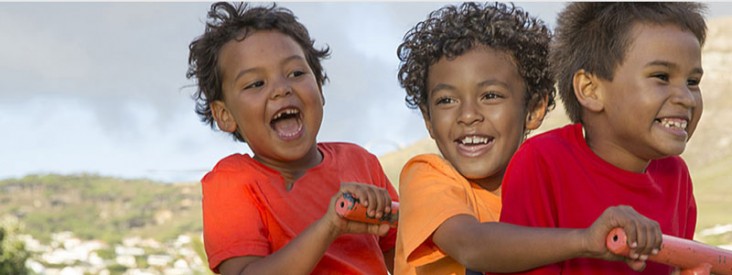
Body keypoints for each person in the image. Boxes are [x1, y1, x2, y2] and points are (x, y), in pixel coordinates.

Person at [393, 2, 663, 275]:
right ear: (428, 120)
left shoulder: (548, 187)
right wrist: (584, 240)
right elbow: (471, 247)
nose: (468, 115)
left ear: (534, 110)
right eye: (446, 100)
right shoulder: (427, 178)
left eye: (490, 96)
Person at [186, 2, 398, 274]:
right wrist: (330, 226)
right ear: (225, 115)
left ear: (319, 88)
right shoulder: (233, 181)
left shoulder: (361, 162)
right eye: (256, 84)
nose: (281, 89)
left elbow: (406, 258)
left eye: (296, 73)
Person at [499, 2, 707, 274]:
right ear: (590, 90)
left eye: (692, 82)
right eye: (661, 76)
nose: (686, 98)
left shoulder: (676, 175)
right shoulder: (543, 161)